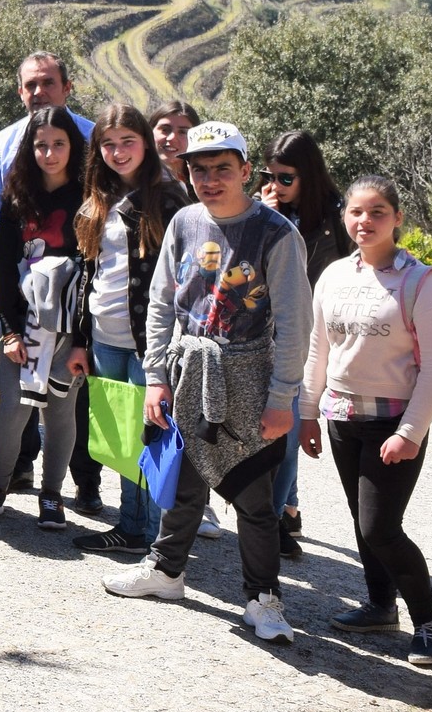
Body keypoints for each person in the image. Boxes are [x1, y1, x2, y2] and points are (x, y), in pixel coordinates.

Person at [103, 122, 313, 648]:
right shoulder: (184, 221)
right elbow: (160, 302)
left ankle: (263, 598)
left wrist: (282, 398)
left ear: (246, 171)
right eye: (199, 170)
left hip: (249, 376)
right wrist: (155, 375)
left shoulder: (276, 234)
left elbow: (294, 324)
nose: (210, 180)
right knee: (183, 477)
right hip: (188, 368)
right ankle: (166, 570)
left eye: (222, 169)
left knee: (254, 496)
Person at [306, 176, 432, 665]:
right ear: (344, 216)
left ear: (397, 218)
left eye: (377, 212)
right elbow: (318, 351)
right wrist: (307, 412)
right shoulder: (333, 275)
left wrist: (411, 432)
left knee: (381, 528)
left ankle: (429, 623)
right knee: (362, 519)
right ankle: (379, 606)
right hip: (342, 418)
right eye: (356, 212)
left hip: (393, 424)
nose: (364, 221)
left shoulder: (422, 283)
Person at [66, 106, 191, 556]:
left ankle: (156, 535)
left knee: (151, 435)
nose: (118, 152)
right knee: (120, 435)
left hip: (149, 341)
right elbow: (88, 274)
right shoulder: (97, 198)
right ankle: (131, 526)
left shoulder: (169, 198)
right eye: (108, 144)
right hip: (104, 337)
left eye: (128, 142)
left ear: (145, 144)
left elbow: (184, 277)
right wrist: (80, 340)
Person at [0, 52, 99, 508]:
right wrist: (13, 314)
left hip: (71, 317)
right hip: (22, 310)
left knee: (65, 409)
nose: (49, 153)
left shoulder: (90, 174)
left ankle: (66, 492)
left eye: (48, 82)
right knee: (14, 404)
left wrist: (82, 334)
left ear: (67, 87)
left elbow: (93, 260)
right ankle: (2, 483)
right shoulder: (12, 174)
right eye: (30, 85)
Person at [262, 129, 349, 561]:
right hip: (268, 334)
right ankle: (286, 510)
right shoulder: (264, 213)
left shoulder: (338, 215)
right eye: (269, 176)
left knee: (288, 430)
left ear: (308, 176)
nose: (276, 186)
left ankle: (273, 520)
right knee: (280, 430)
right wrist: (265, 217)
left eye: (286, 178)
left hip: (313, 339)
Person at [150, 100, 198, 193]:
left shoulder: (204, 181)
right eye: (165, 129)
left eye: (182, 132)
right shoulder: (136, 182)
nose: (172, 138)